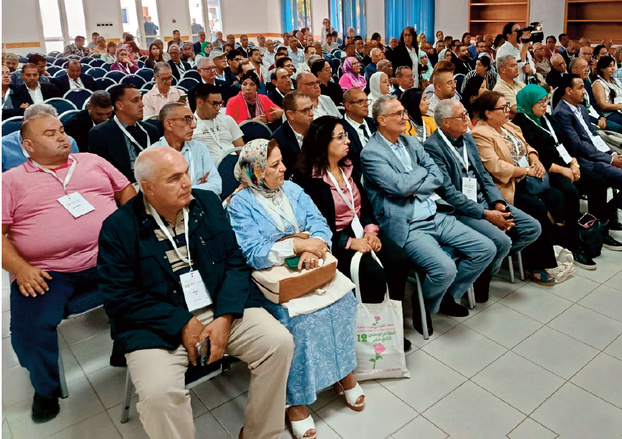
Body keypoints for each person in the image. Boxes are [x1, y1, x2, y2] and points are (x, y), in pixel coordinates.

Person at [98, 145, 292, 438]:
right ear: (147, 188)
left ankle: (260, 433)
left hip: (217, 304)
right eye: (174, 178)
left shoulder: (207, 202)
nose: (187, 182)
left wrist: (225, 317)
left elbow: (234, 263)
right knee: (159, 394)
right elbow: (119, 298)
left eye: (186, 172)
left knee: (279, 343)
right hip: (157, 322)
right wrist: (183, 323)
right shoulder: (118, 228)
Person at [226, 138, 362, 439]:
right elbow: (252, 252)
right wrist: (298, 245)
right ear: (256, 170)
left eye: (281, 162)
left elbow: (319, 223)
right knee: (297, 323)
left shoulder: (292, 189)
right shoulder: (240, 204)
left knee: (342, 303)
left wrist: (314, 249)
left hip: (311, 267)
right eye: (274, 165)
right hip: (272, 281)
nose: (283, 169)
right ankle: (296, 402)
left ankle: (344, 374)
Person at [3, 114, 135, 423]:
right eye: (51, 134)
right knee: (29, 331)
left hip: (109, 255)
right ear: (28, 146)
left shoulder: (91, 161)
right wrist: (21, 269)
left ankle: (127, 346)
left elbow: (126, 192)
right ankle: (46, 389)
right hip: (47, 269)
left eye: (62, 130)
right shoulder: (10, 181)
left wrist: (132, 231)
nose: (63, 137)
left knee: (155, 282)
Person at [361, 96, 496, 332]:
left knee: (486, 249)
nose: (405, 117)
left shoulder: (411, 142)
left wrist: (414, 181)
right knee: (445, 268)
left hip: (435, 212)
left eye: (404, 112)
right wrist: (419, 175)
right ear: (381, 120)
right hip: (409, 224)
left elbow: (437, 177)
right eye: (398, 114)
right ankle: (426, 300)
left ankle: (443, 296)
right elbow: (399, 187)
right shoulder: (371, 153)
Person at [293, 116, 411, 347]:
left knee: (399, 260)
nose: (347, 141)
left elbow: (364, 205)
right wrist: (349, 242)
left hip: (361, 229)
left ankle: (392, 321)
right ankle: (372, 332)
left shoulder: (348, 167)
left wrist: (370, 231)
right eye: (340, 137)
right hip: (334, 239)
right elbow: (314, 225)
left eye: (346, 135)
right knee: (374, 274)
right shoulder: (308, 180)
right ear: (322, 143)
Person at [426, 99, 543, 297]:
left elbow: (484, 176)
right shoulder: (433, 148)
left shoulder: (468, 138)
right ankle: (474, 281)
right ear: (446, 122)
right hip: (462, 209)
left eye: (465, 114)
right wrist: (486, 214)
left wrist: (498, 202)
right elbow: (449, 193)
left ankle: (486, 270)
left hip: (485, 200)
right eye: (461, 116)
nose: (467, 119)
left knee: (532, 228)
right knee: (502, 242)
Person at [553, 74, 622, 261]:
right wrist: (608, 159)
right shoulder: (561, 113)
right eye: (581, 87)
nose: (584, 91)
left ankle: (605, 215)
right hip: (588, 160)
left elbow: (594, 136)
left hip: (603, 155)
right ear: (568, 90)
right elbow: (578, 145)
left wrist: (613, 154)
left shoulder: (580, 107)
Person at [471, 91, 565, 283]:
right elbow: (496, 167)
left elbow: (527, 145)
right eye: (503, 108)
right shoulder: (480, 133)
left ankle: (561, 244)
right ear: (488, 113)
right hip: (507, 185)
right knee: (536, 207)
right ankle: (535, 264)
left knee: (558, 196)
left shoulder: (508, 126)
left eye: (507, 106)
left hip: (527, 178)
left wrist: (534, 159)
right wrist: (525, 171)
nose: (508, 111)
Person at [511, 85, 599, 269]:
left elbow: (565, 141)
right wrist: (563, 170)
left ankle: (596, 229)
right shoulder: (521, 123)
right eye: (540, 102)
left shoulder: (547, 118)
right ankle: (573, 243)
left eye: (545, 101)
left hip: (565, 163)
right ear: (528, 103)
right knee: (570, 192)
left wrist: (573, 162)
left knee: (597, 181)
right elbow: (536, 157)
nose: (544, 106)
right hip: (549, 170)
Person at [88, 84, 160, 183]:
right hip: (122, 186)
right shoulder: (99, 133)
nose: (142, 104)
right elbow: (102, 173)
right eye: (135, 100)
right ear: (119, 105)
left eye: (140, 99)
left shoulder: (151, 130)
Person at [150, 102, 221, 196]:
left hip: (201, 206)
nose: (193, 126)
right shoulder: (152, 154)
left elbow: (216, 186)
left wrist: (186, 190)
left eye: (193, 119)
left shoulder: (199, 148)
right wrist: (200, 188)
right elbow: (161, 193)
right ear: (168, 124)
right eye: (187, 119)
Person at [3, 104, 80, 172]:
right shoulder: (3, 146)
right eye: (49, 134)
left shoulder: (68, 142)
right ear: (24, 122)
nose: (60, 138)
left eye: (61, 131)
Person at [191, 84, 245, 165]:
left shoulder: (227, 120)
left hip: (235, 164)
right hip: (209, 168)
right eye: (214, 103)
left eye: (220, 103)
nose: (218, 108)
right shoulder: (189, 126)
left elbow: (241, 150)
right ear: (200, 102)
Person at [272, 91, 313, 179]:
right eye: (305, 110)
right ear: (290, 115)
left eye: (311, 108)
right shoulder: (277, 141)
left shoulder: (317, 131)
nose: (311, 113)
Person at [592, 56, 622, 134]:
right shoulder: (598, 83)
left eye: (613, 66)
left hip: (621, 110)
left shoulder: (615, 80)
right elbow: (603, 106)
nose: (613, 68)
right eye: (609, 66)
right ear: (602, 68)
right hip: (609, 113)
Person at [341, 88, 377, 172]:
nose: (367, 104)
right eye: (361, 102)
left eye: (367, 101)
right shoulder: (341, 129)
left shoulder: (374, 123)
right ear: (348, 106)